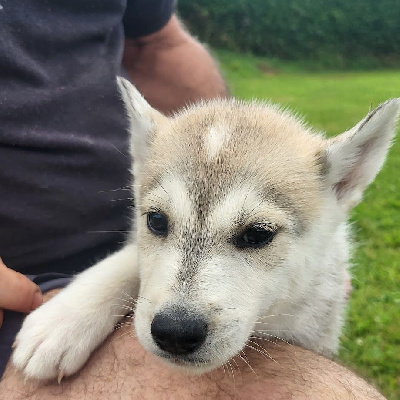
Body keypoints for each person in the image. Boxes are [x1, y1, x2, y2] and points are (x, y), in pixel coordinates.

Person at [0, 1, 385, 399]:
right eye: (158, 221)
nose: (176, 319)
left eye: (255, 234)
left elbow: (162, 43)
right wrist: (96, 295)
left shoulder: (324, 196)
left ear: (345, 182)